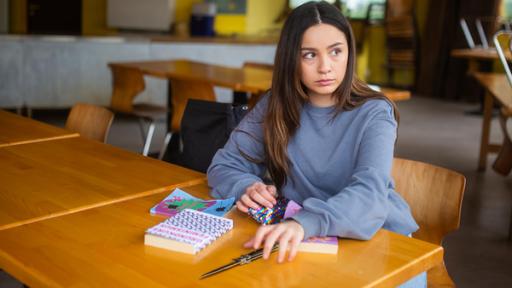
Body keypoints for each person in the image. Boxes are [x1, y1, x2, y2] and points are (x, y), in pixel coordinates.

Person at [208, 1, 424, 286]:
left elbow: (370, 193)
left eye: (336, 51)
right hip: (306, 241)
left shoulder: (375, 112)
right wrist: (245, 187)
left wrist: (304, 224)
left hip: (380, 242)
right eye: (309, 55)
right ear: (290, 59)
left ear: (349, 52)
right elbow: (224, 165)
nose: (325, 67)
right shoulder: (275, 104)